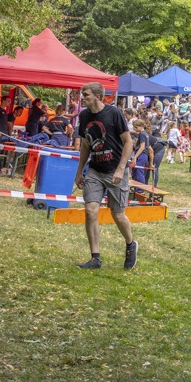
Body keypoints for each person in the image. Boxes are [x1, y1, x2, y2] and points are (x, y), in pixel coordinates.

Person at [74, 82, 137, 270]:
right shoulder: (84, 116)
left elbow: (128, 142)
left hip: (115, 170)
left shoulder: (114, 114)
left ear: (98, 96)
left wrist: (120, 168)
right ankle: (95, 258)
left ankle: (130, 244)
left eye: (86, 95)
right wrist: (80, 172)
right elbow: (85, 145)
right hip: (95, 170)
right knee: (90, 210)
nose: (82, 98)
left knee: (117, 214)